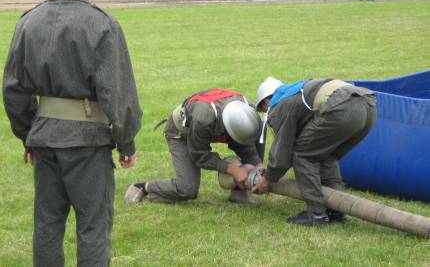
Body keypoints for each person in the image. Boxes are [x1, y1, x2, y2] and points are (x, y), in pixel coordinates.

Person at [2, 0, 143, 265]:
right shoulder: (101, 24)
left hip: (45, 138)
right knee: (92, 228)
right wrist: (127, 142)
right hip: (87, 141)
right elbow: (118, 93)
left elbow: (14, 90)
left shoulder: (28, 22)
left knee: (48, 226)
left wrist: (28, 135)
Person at [252, 77, 377, 227]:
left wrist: (267, 180)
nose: (266, 112)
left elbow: (282, 154)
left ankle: (316, 214)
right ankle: (335, 209)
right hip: (368, 105)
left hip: (343, 108)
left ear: (266, 102)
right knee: (326, 155)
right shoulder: (298, 92)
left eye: (264, 110)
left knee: (303, 155)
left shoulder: (279, 105)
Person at [125, 89, 262, 204]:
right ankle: (144, 187)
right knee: (187, 189)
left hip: (212, 122)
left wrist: (259, 166)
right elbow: (200, 155)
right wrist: (233, 169)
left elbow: (246, 146)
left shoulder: (247, 111)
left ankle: (238, 193)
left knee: (254, 155)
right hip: (181, 133)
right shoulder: (204, 119)